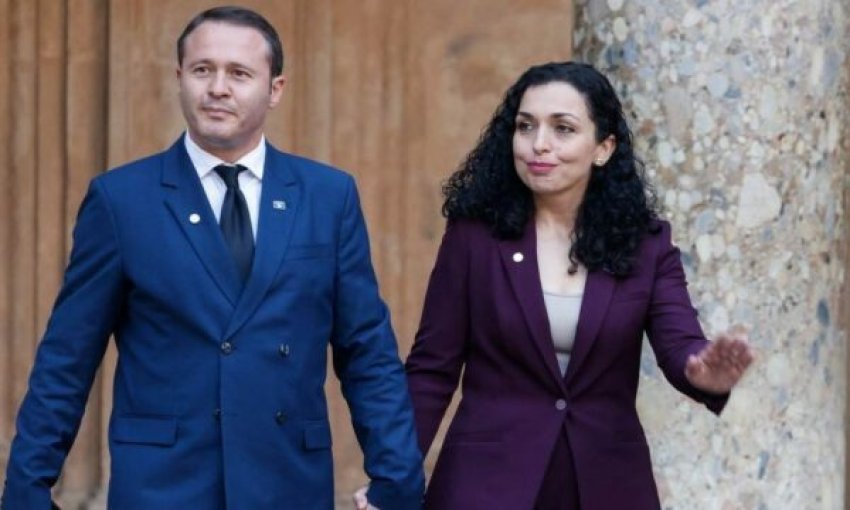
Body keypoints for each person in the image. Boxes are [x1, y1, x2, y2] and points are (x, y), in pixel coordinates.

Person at [1, 6, 423, 510]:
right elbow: (68, 356)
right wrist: (26, 490)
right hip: (163, 488)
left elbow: (367, 350)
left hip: (286, 482)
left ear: (275, 89)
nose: (218, 88)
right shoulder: (121, 200)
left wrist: (397, 479)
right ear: (179, 78)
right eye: (203, 70)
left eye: (239, 73)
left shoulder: (328, 196)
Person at [404, 61, 754, 509]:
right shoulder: (474, 237)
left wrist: (704, 374)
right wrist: (393, 474)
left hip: (607, 484)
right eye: (525, 126)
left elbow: (680, 343)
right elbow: (432, 368)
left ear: (603, 148)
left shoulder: (645, 244)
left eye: (563, 129)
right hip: (486, 485)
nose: (539, 144)